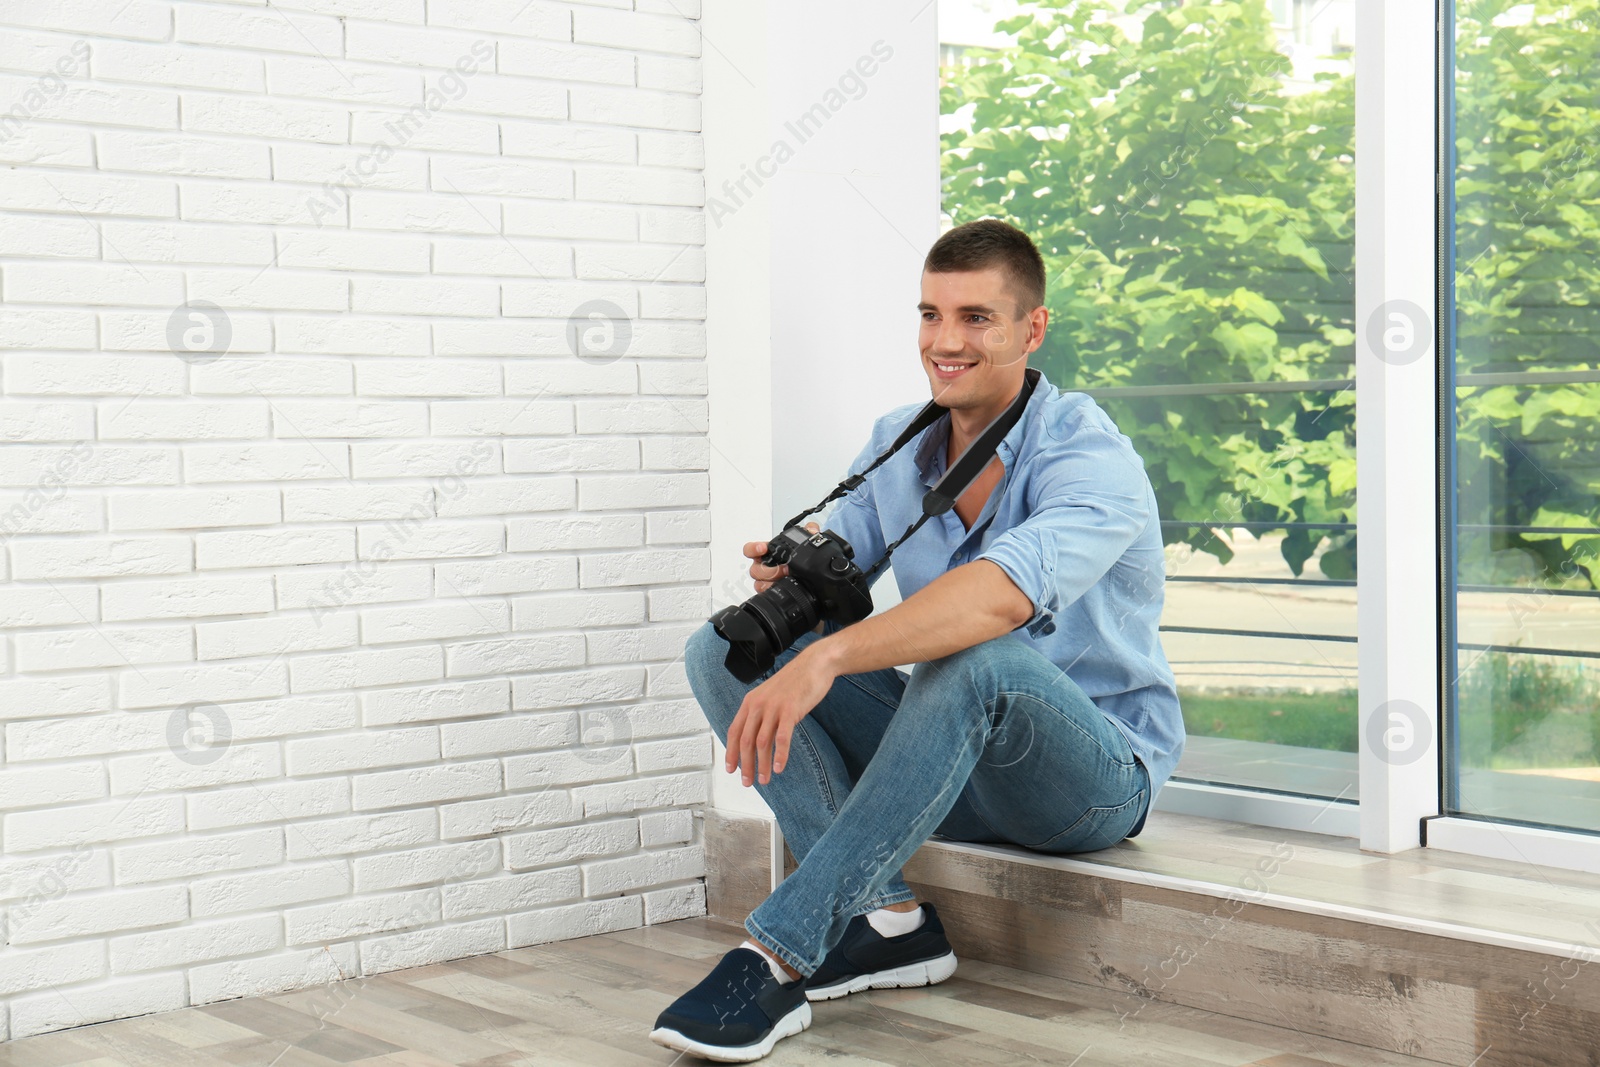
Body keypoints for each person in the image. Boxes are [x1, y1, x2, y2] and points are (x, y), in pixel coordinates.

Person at [649, 218, 1185, 1062]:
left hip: (1089, 783)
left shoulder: (1088, 454)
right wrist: (797, 593)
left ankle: (779, 951)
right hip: (949, 754)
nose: (946, 341)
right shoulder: (901, 439)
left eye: (976, 317)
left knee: (976, 657)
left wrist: (827, 657)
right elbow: (845, 565)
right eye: (930, 315)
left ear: (1031, 329)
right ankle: (889, 921)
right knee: (724, 650)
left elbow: (996, 601)